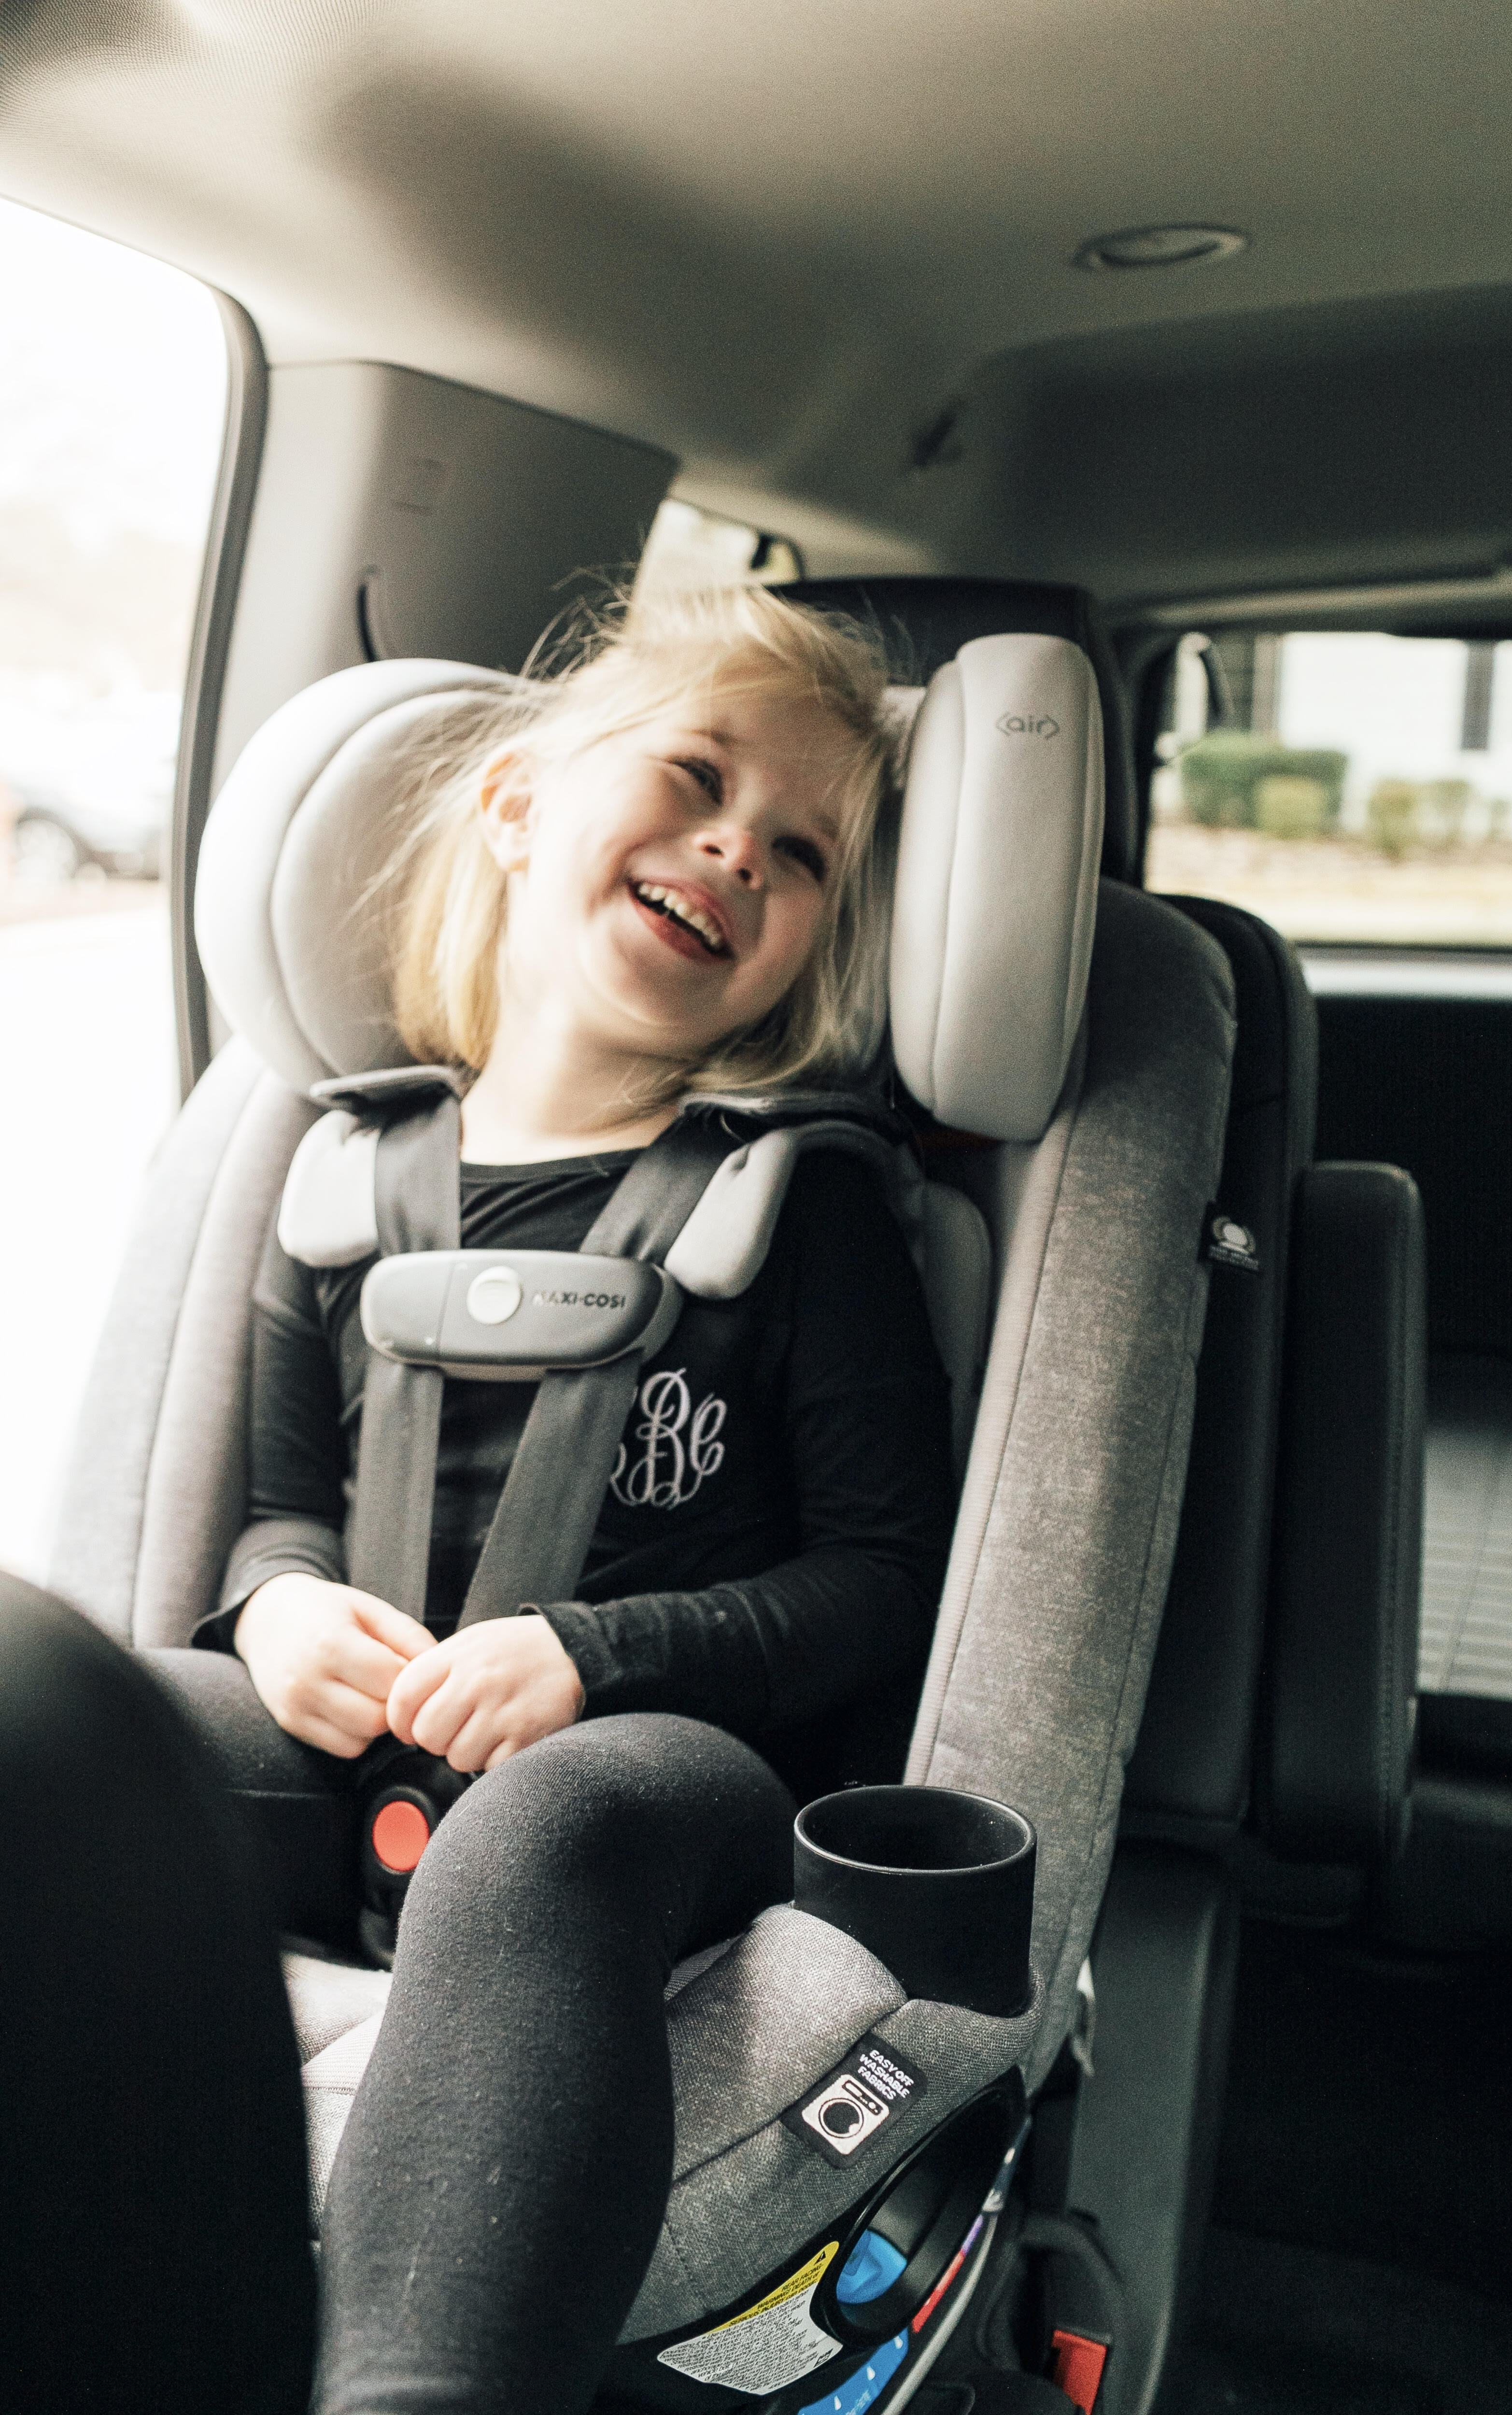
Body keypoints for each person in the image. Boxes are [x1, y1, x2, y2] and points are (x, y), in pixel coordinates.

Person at [149, 585, 957, 2415]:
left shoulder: (797, 1204)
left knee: (545, 1831)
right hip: (366, 1757)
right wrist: (279, 1615)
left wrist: (597, 1660)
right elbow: (282, 1513)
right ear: (517, 807)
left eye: (806, 850)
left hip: (665, 1783)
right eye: (693, 771)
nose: (738, 846)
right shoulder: (338, 1185)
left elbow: (881, 1578)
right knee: (101, 1722)